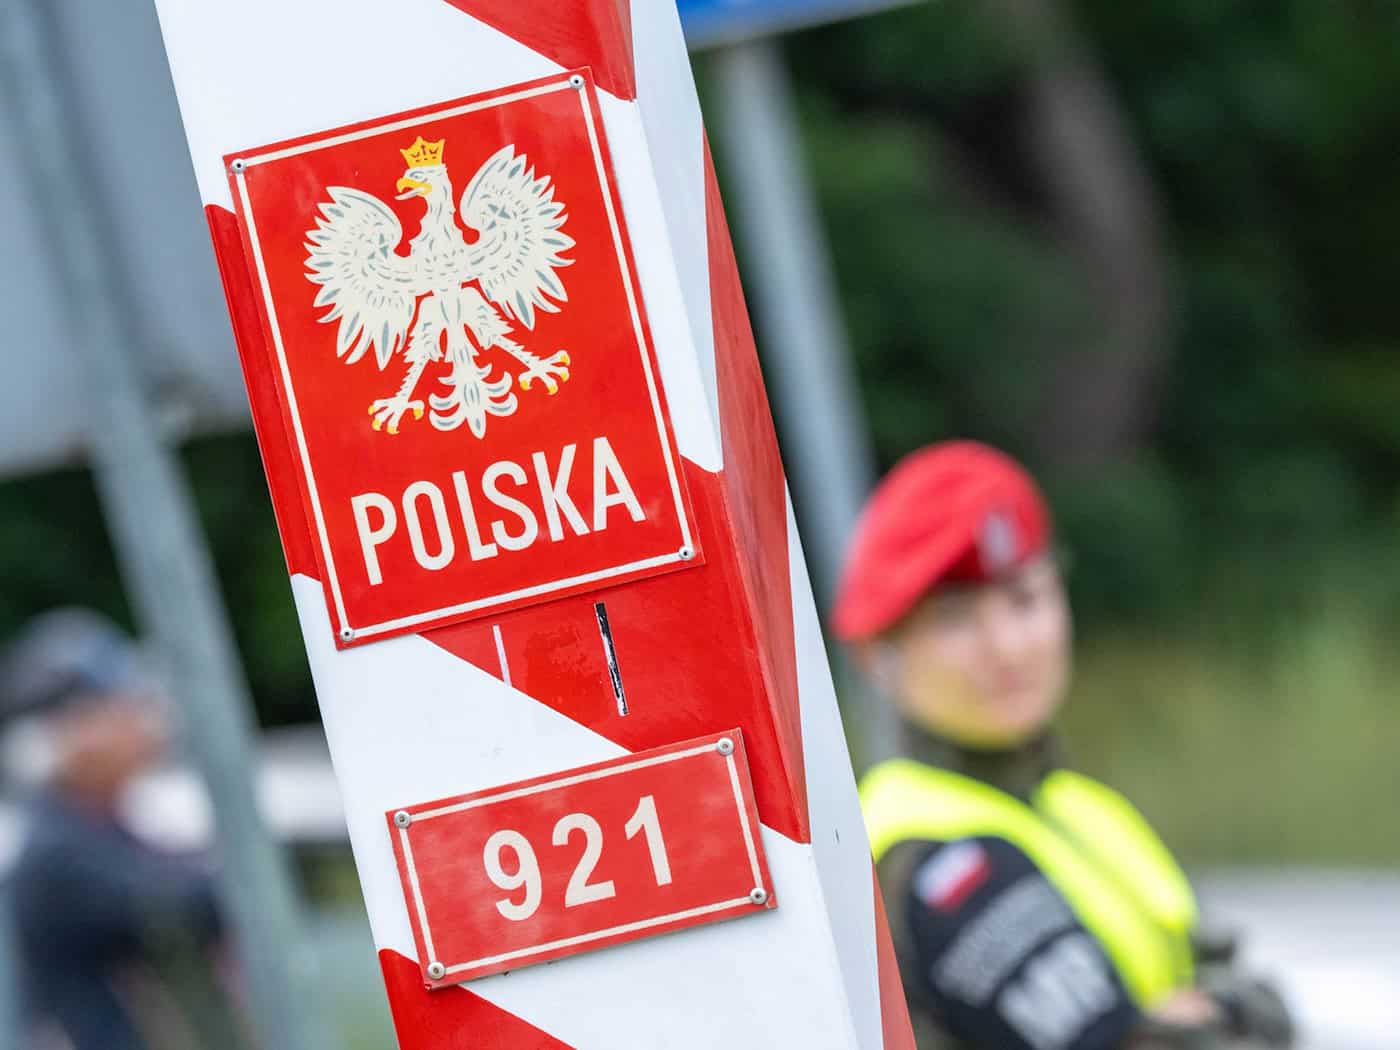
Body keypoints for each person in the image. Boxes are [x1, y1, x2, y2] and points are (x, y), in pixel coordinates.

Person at [834, 442, 1293, 1050]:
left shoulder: (1082, 805)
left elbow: (1247, 989)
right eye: (955, 618)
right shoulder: (921, 851)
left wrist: (1225, 1008)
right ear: (878, 657)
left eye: (1025, 600)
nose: (1007, 648)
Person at [0, 609, 229, 1050]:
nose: (142, 715)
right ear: (72, 732)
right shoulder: (57, 853)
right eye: (119, 702)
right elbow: (189, 901)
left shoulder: (105, 831)